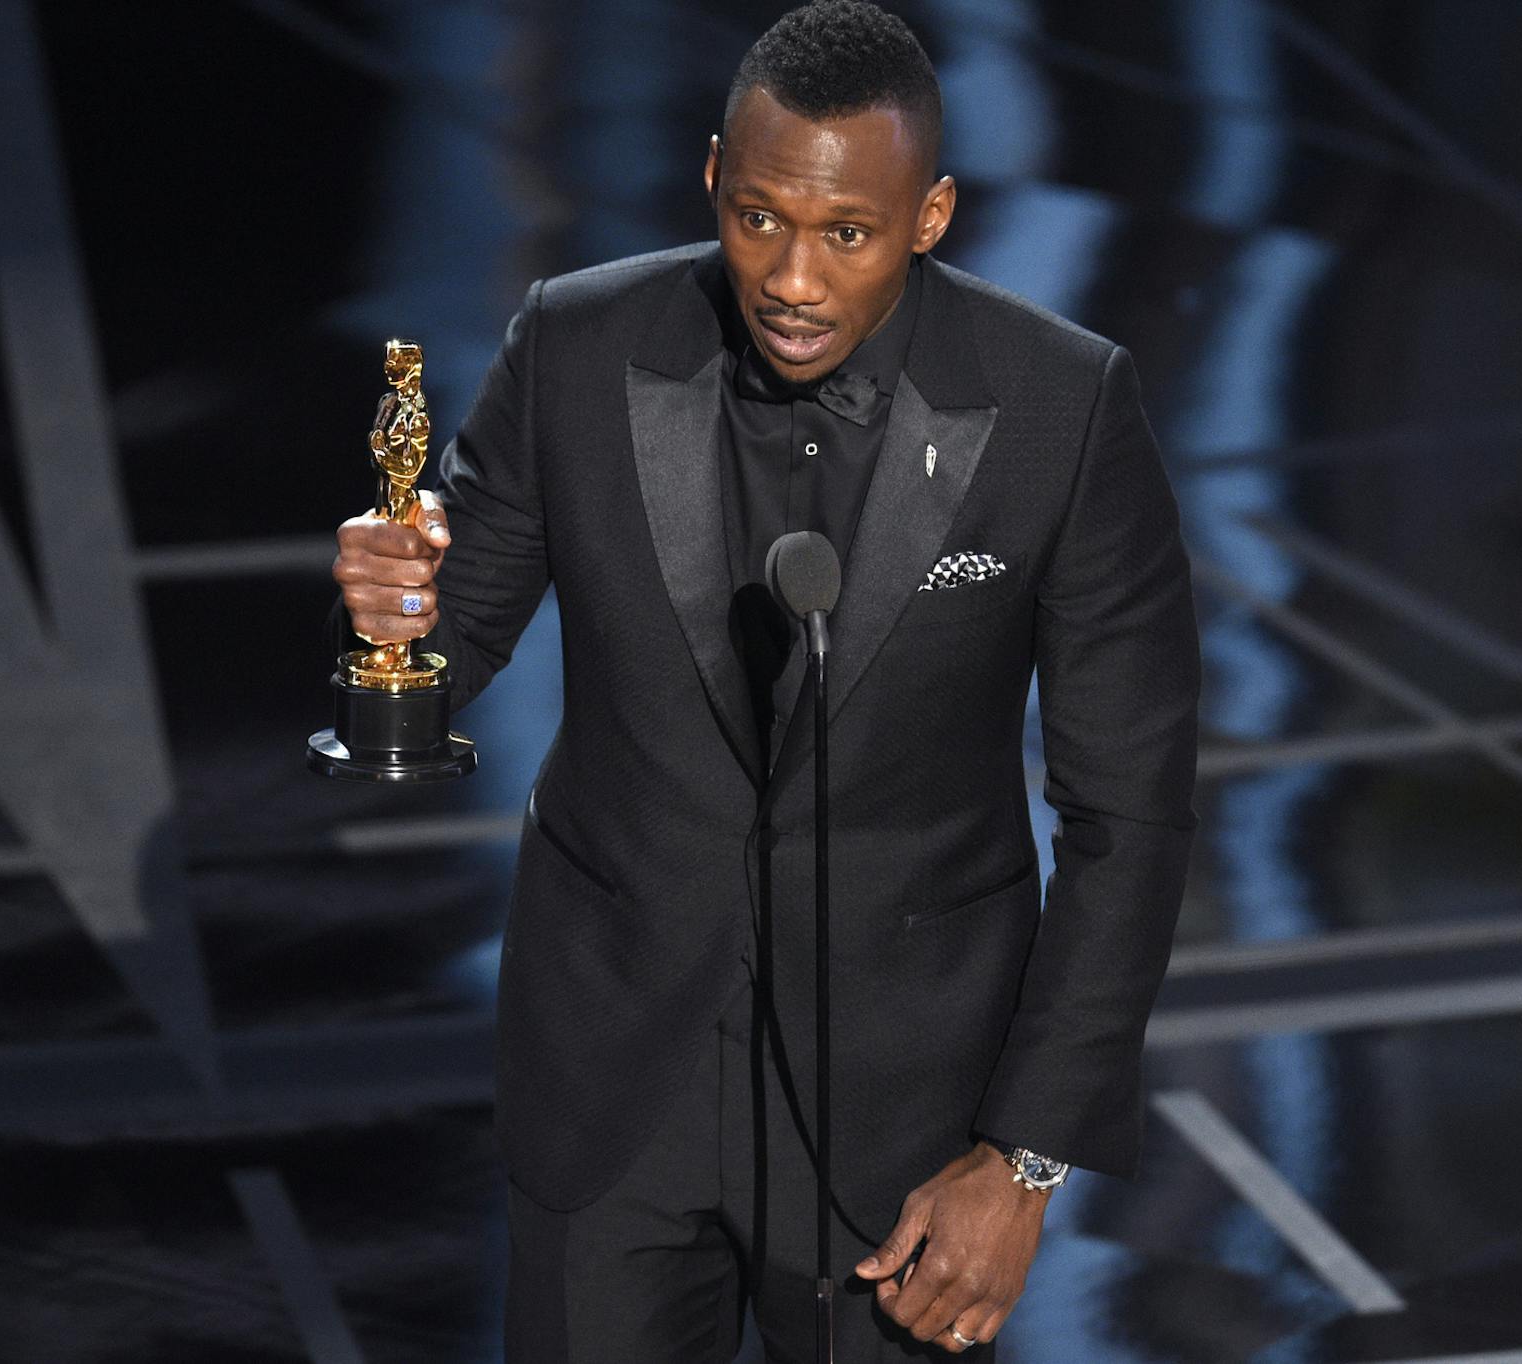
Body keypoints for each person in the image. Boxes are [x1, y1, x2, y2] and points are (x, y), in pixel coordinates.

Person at [331, 2, 1199, 1357]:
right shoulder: (576, 347)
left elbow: (1130, 811)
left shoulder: (1060, 408)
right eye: (756, 219)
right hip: (614, 1098)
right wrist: (396, 627)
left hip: (909, 1135)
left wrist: (1022, 1162)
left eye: (846, 233)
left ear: (932, 217)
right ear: (710, 184)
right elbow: (448, 652)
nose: (791, 277)